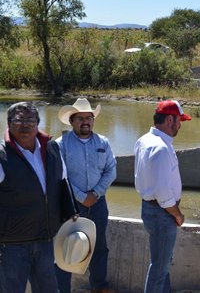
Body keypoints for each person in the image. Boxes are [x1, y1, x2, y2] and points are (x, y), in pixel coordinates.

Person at [0, 102, 69, 293]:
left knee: (48, 289)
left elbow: (62, 182)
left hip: (45, 239)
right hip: (11, 244)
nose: (25, 125)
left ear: (38, 123)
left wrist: (70, 214)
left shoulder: (53, 149)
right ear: (9, 124)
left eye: (30, 120)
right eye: (18, 120)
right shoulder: (2, 156)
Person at [55, 98, 117, 293]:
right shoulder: (61, 144)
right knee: (66, 247)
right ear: (72, 121)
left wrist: (96, 193)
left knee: (99, 247)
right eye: (80, 118)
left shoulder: (103, 143)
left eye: (89, 117)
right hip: (70, 205)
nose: (85, 121)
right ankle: (62, 289)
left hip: (98, 204)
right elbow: (60, 177)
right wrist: (82, 197)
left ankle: (99, 287)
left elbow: (111, 171)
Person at [134, 100, 191, 293]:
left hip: (150, 209)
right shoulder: (161, 148)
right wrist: (178, 214)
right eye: (179, 120)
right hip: (162, 213)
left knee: (162, 263)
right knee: (159, 269)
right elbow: (164, 195)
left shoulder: (144, 140)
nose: (180, 125)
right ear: (169, 120)